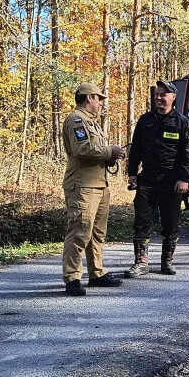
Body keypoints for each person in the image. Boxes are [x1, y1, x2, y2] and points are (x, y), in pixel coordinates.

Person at [61, 83, 127, 296]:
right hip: (82, 187)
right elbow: (82, 148)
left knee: (97, 234)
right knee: (80, 231)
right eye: (99, 99)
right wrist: (110, 151)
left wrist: (111, 156)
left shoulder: (93, 123)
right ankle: (72, 277)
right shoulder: (76, 120)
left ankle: (96, 273)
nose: (101, 103)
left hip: (99, 185)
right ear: (89, 98)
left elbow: (95, 152)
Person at [125, 80, 189, 276]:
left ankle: (167, 262)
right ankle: (141, 263)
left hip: (172, 181)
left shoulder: (181, 122)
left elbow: (188, 154)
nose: (159, 98)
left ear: (173, 97)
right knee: (141, 221)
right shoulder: (144, 121)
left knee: (170, 223)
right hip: (147, 179)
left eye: (163, 94)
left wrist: (184, 179)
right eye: (157, 94)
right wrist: (132, 173)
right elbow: (136, 148)